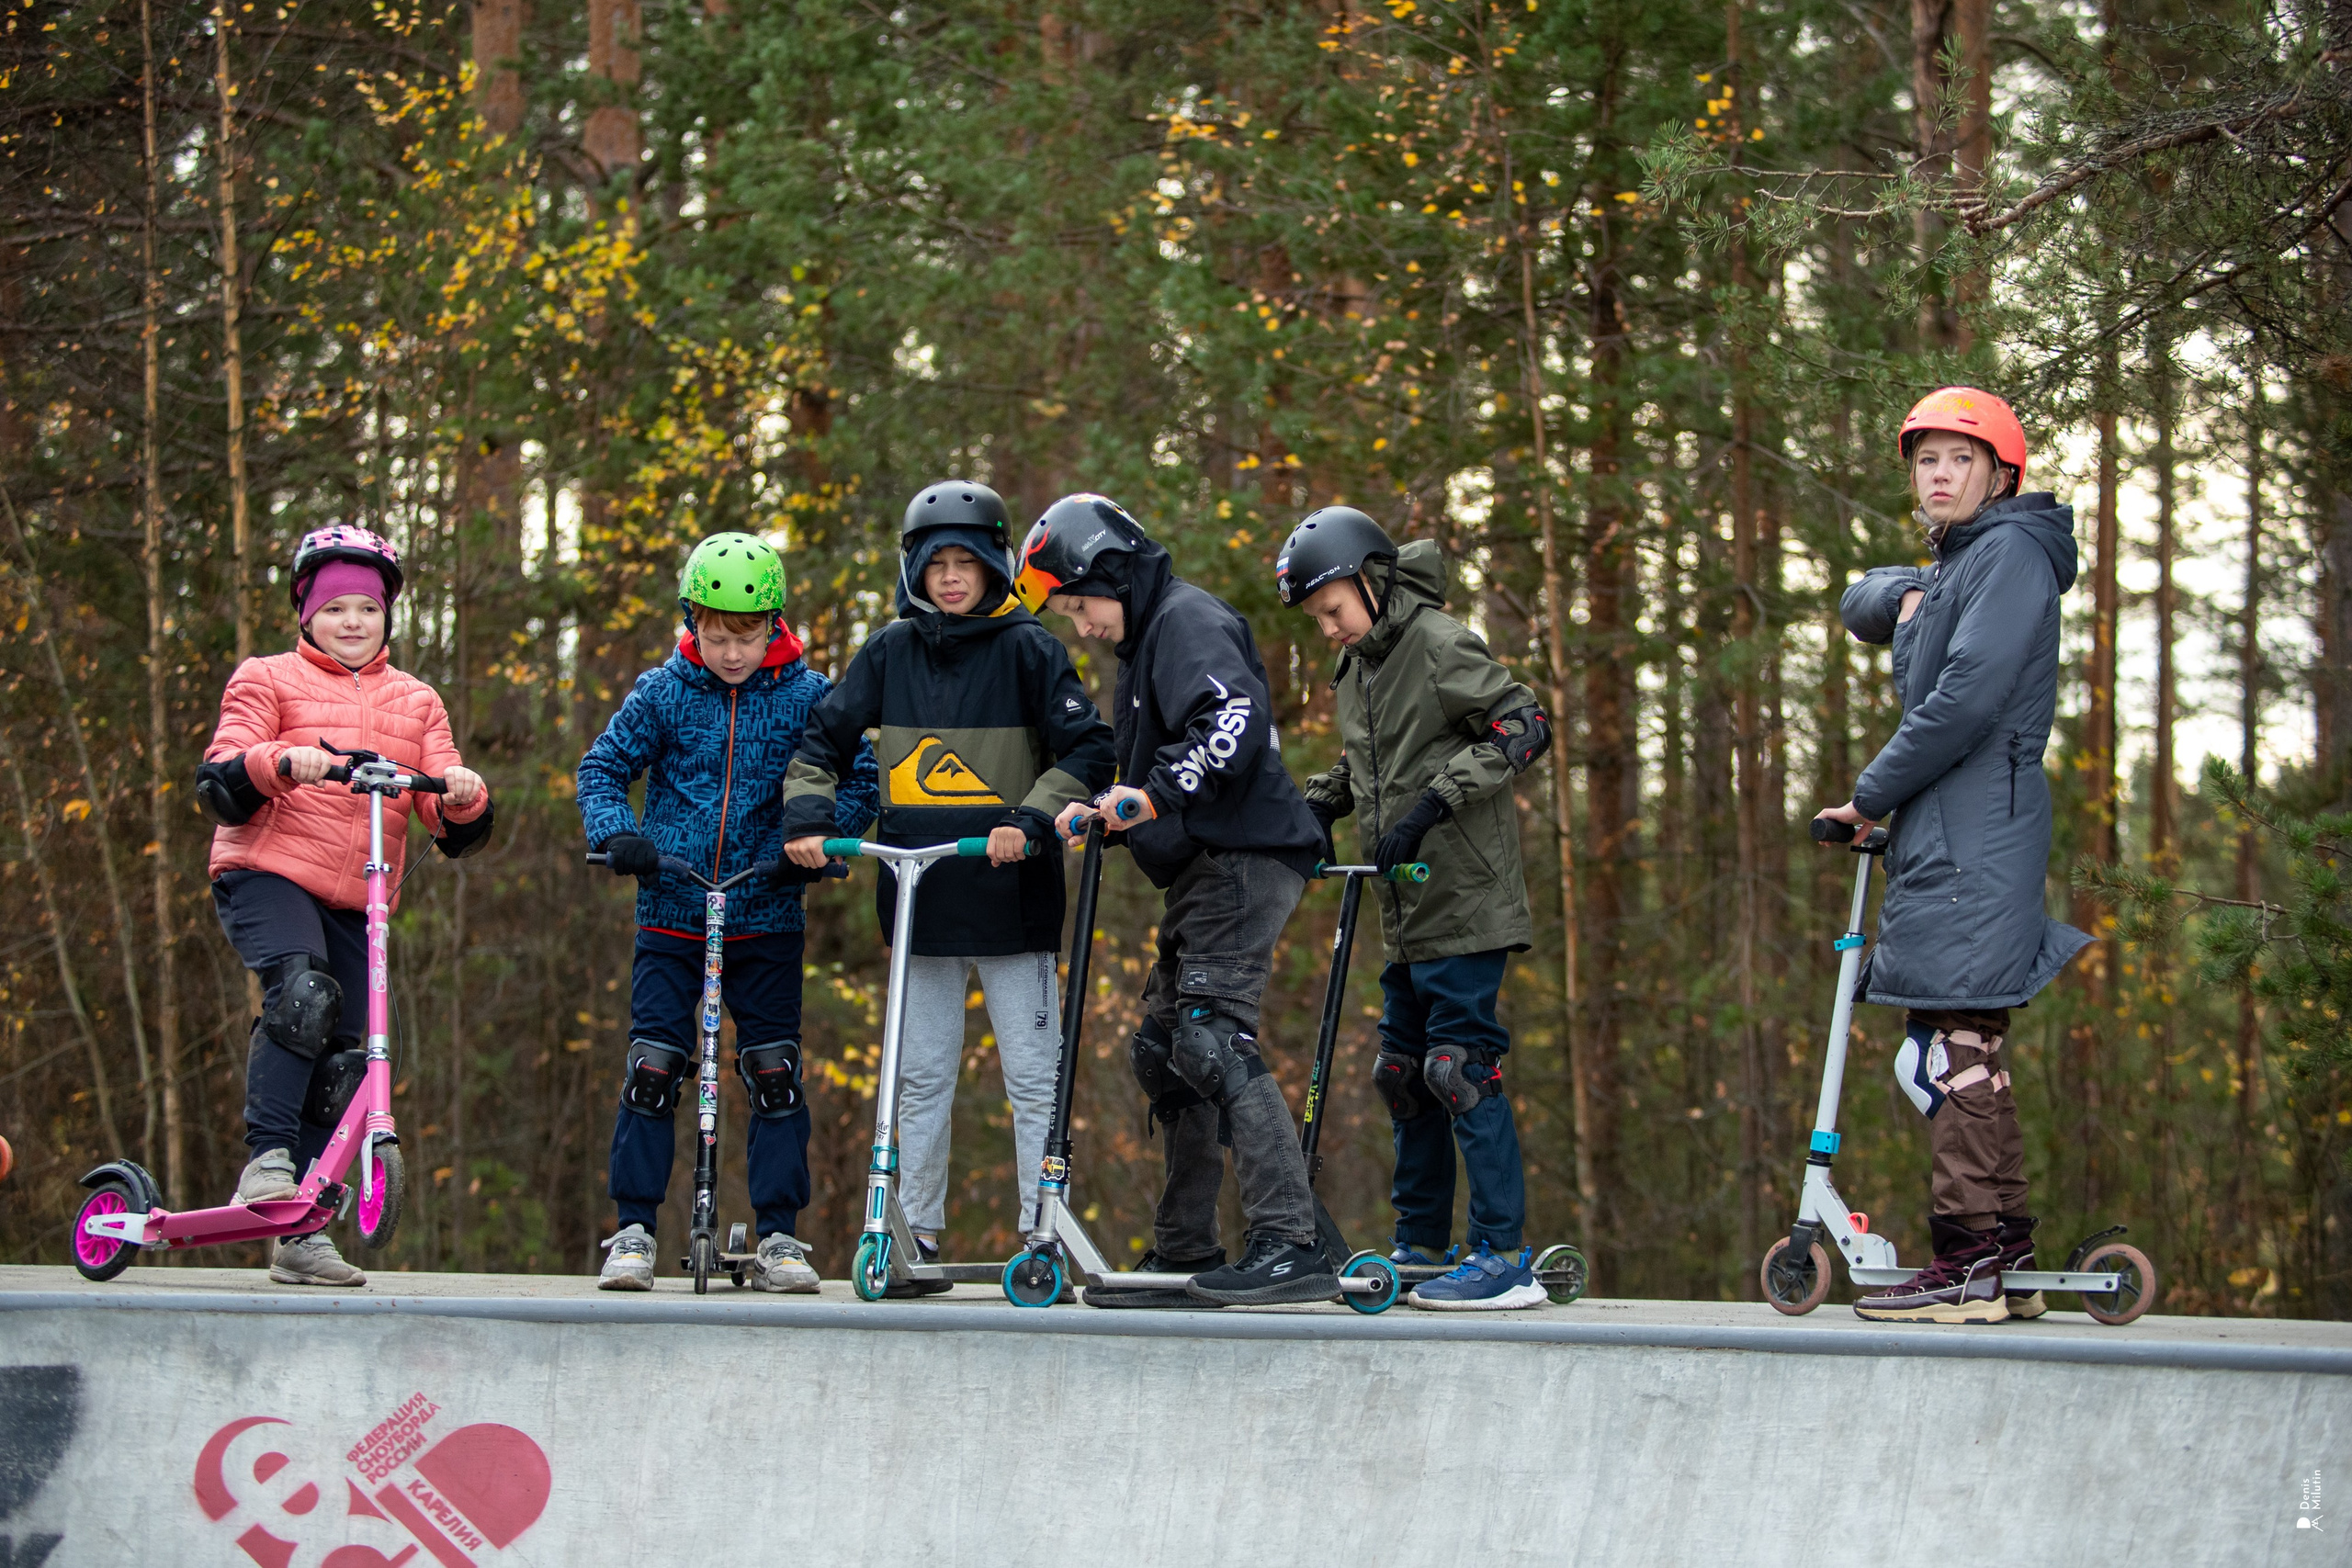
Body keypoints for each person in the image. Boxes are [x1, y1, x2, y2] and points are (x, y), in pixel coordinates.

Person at [778, 481, 1114, 1277]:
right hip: (918, 900)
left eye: (968, 561)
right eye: (938, 563)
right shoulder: (890, 650)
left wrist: (1029, 821)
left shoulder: (1030, 647)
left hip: (1012, 901)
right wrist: (809, 826)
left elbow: (1090, 749)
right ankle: (911, 1231)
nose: (952, 577)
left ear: (996, 566)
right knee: (918, 1077)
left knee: (1033, 1079)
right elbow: (820, 739)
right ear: (915, 570)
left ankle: (1046, 1231)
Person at [1014, 492, 1334, 1309]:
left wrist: (1152, 794)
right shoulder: (1149, 642)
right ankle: (1185, 1243)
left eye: (1080, 605)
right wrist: (1111, 809)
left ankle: (1290, 1241)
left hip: (1247, 858)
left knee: (1211, 1038)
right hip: (1206, 866)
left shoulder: (1186, 620)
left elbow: (1231, 720)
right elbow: (1165, 765)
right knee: (1165, 1051)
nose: (1080, 626)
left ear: (1111, 575)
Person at [1814, 386, 2089, 1325]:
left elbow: (1966, 695)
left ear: (2001, 474)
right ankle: (2004, 1256)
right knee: (1962, 1054)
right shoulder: (1970, 561)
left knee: (1944, 1056)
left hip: (1977, 836)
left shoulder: (2008, 553)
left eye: (1958, 460)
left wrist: (1868, 794)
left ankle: (1966, 1262)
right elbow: (1863, 601)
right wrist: (1902, 593)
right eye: (1925, 460)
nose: (1938, 474)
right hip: (1950, 834)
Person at [578, 532, 877, 1292]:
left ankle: (780, 1234)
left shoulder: (809, 697)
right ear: (691, 622)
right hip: (674, 908)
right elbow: (603, 768)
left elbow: (864, 779)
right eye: (715, 636)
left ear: (773, 625)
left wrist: (812, 838)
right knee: (654, 1067)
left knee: (774, 1071)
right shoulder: (664, 692)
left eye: (745, 636)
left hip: (766, 909)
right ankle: (635, 1228)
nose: (731, 653)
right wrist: (621, 836)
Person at [197, 525, 493, 1287]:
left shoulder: (416, 701)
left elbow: (447, 804)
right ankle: (266, 1162)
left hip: (360, 894)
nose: (353, 621)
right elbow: (222, 776)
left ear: (388, 616)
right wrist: (279, 761)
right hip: (267, 869)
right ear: (306, 613)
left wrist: (462, 797)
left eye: (368, 607)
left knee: (351, 1056)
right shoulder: (266, 679)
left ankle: (303, 1224)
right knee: (303, 994)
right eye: (336, 609)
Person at [1277, 507, 1553, 1310]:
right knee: (1403, 1075)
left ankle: (1505, 1255)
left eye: (1332, 609)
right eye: (1317, 618)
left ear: (1371, 579)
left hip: (1465, 896)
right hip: (1404, 910)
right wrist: (1316, 805)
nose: (1326, 628)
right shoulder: (1361, 666)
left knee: (1458, 1069)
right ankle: (1422, 1243)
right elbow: (1371, 761)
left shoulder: (1436, 642)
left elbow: (1522, 724)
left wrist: (1435, 802)